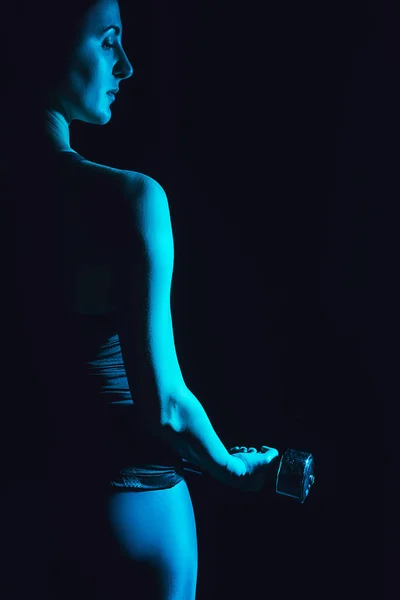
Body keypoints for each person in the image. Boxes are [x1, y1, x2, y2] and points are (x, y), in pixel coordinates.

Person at [7, 1, 279, 598]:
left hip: (24, 510)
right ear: (41, 48)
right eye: (108, 42)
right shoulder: (128, 201)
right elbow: (166, 405)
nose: (126, 66)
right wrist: (232, 468)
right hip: (127, 507)